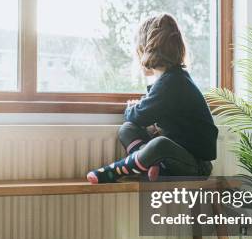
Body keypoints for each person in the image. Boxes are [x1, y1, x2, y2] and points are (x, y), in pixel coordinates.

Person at [86, 13, 218, 184]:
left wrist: (131, 108)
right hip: (171, 160)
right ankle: (152, 166)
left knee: (159, 144)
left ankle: (116, 170)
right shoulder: (168, 81)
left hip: (195, 167)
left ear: (145, 50)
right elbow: (148, 112)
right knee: (127, 129)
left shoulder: (173, 82)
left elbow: (140, 115)